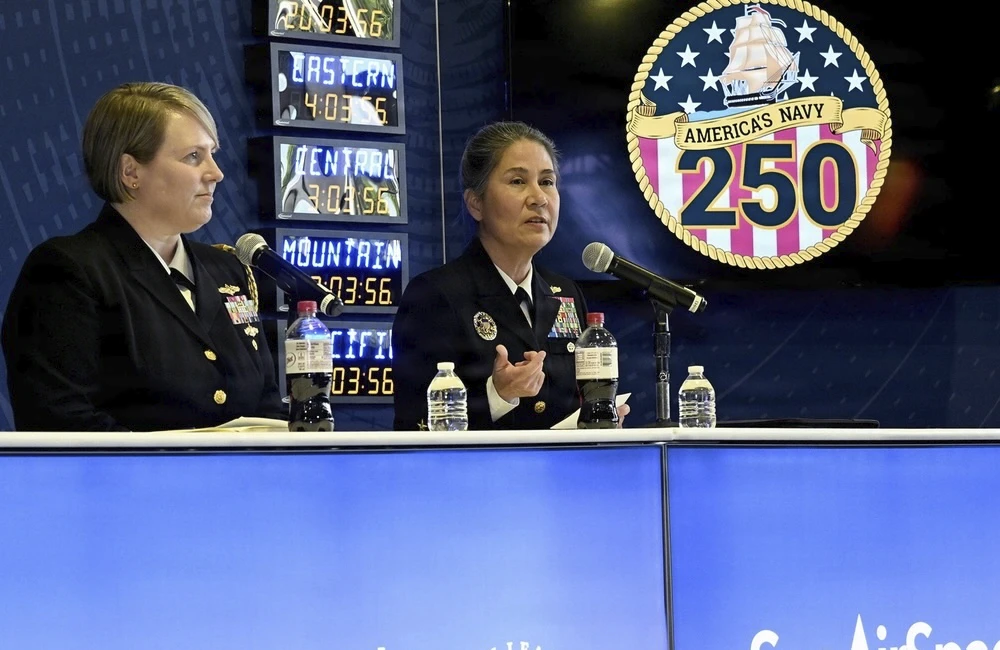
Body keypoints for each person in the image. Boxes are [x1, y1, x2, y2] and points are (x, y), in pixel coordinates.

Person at [1, 82, 285, 431]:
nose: (216, 173)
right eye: (193, 156)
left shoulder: (227, 270)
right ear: (130, 172)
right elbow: (61, 422)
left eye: (213, 153)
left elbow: (267, 408)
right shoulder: (70, 271)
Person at [392, 121, 629, 430]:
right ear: (476, 203)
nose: (539, 198)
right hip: (480, 476)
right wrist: (498, 395)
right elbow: (415, 424)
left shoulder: (565, 293)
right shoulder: (436, 295)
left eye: (547, 182)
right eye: (518, 181)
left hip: (566, 474)